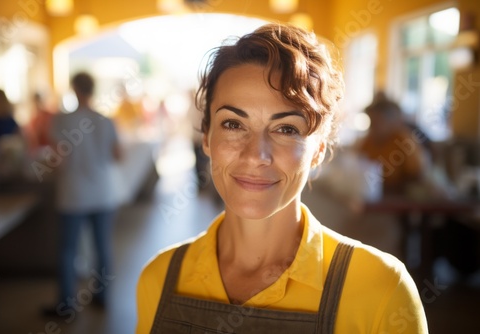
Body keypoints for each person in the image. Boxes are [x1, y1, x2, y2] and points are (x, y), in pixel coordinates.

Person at [136, 23, 428, 333]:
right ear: (206, 138)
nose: (255, 155)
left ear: (318, 150)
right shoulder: (160, 277)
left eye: (286, 129)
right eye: (233, 124)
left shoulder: (382, 288)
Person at [45, 72, 122, 315]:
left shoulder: (61, 121)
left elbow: (58, 160)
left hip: (74, 193)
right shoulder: (105, 120)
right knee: (103, 247)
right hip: (102, 192)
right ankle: (101, 296)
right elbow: (118, 155)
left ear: (74, 88)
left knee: (68, 250)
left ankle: (67, 303)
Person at [356, 92, 428, 195]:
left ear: (390, 122)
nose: (372, 127)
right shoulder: (369, 141)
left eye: (376, 122)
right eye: (371, 122)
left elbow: (418, 174)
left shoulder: (403, 140)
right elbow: (361, 167)